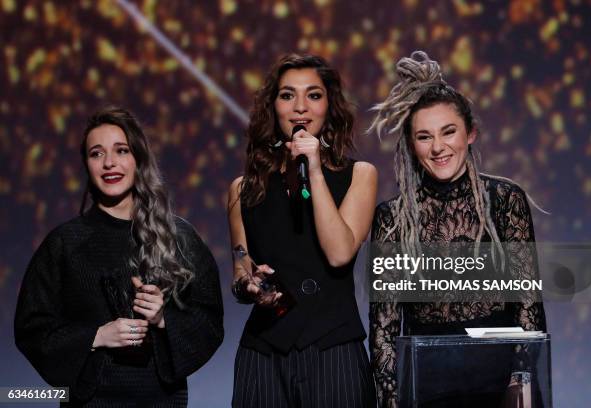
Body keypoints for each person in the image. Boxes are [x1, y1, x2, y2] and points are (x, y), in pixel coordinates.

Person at [368, 51, 547, 407]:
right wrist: (390, 399)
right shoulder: (393, 217)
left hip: (500, 381)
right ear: (410, 144)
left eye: (448, 131)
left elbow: (529, 305)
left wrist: (520, 382)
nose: (438, 147)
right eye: (424, 136)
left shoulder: (505, 199)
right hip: (428, 383)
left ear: (471, 133)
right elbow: (384, 330)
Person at [14, 107, 224, 407]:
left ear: (138, 158)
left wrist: (163, 319)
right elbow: (32, 329)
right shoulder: (65, 243)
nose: (109, 163)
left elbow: (210, 320)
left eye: (121, 150)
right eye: (96, 153)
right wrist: (97, 335)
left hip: (162, 401)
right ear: (86, 165)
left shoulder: (179, 236)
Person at [227, 54, 378, 407]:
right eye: (286, 95)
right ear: (272, 107)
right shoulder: (243, 189)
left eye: (313, 95)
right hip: (264, 353)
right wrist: (249, 286)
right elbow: (240, 267)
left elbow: (339, 253)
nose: (299, 108)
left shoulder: (360, 175)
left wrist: (314, 168)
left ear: (329, 106)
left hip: (333, 348)